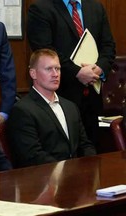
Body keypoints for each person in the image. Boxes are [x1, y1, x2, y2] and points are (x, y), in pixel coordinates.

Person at [27, 0, 116, 147]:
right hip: (61, 95)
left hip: (93, 98)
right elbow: (44, 50)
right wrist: (77, 72)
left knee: (93, 152)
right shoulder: (41, 9)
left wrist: (99, 68)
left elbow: (108, 46)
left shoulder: (96, 8)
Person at [7, 49, 96, 167]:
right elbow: (33, 156)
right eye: (49, 69)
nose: (55, 74)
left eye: (58, 68)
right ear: (33, 73)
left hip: (77, 176)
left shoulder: (70, 107)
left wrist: (91, 166)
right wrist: (68, 171)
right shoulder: (22, 110)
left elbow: (85, 145)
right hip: (43, 179)